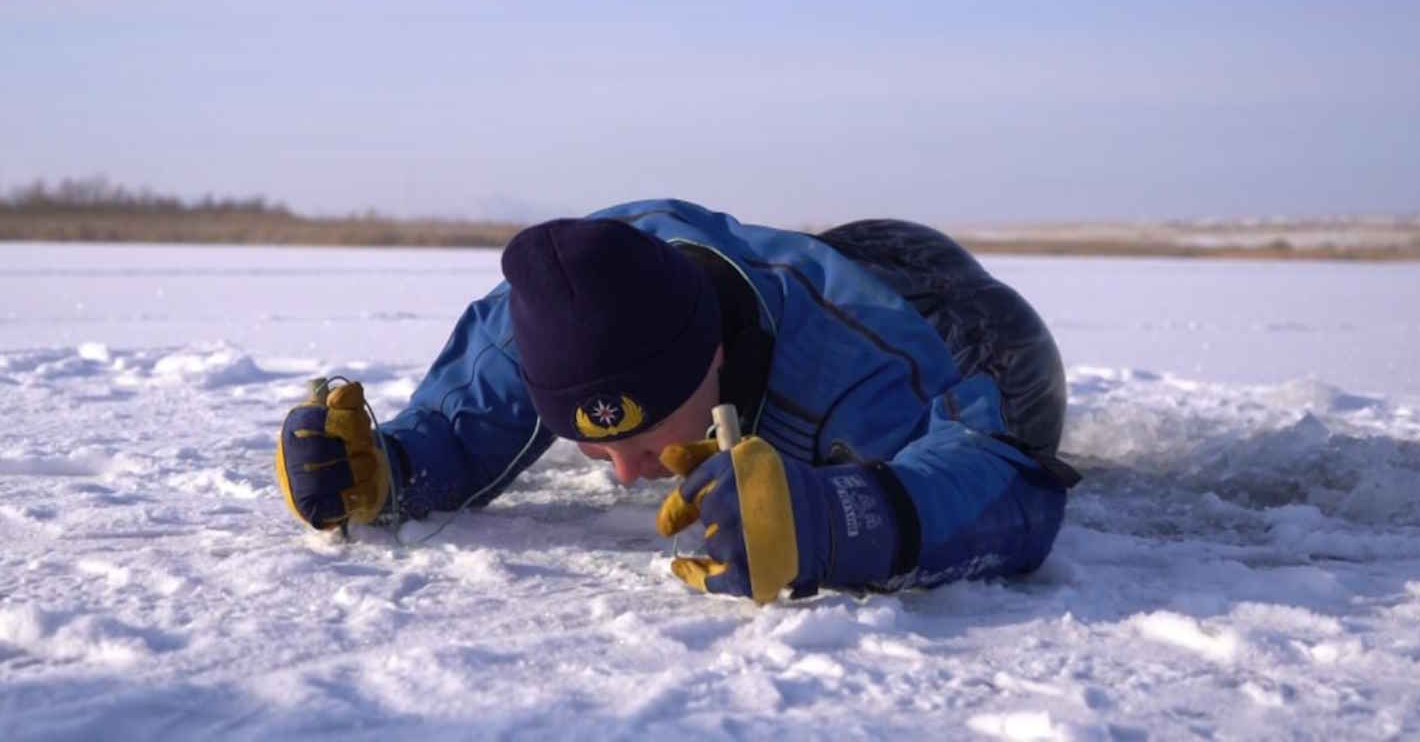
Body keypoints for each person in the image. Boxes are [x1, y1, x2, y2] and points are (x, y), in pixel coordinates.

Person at [275, 199, 1079, 603]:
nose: (627, 476)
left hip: (963, 320)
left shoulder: (859, 370)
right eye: (595, 446)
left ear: (715, 356)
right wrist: (384, 465)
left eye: (648, 436)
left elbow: (1010, 482)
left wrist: (843, 518)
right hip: (791, 259)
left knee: (1018, 402)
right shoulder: (550, 313)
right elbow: (463, 421)